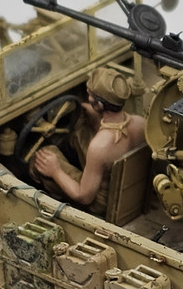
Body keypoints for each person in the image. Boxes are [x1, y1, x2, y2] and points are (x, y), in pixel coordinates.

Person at [33, 67, 145, 216]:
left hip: (102, 203)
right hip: (132, 191)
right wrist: (96, 116)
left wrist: (55, 171)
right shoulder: (140, 123)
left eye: (90, 95)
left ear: (100, 105)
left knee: (43, 155)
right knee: (79, 133)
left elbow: (84, 197)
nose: (88, 97)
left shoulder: (99, 146)